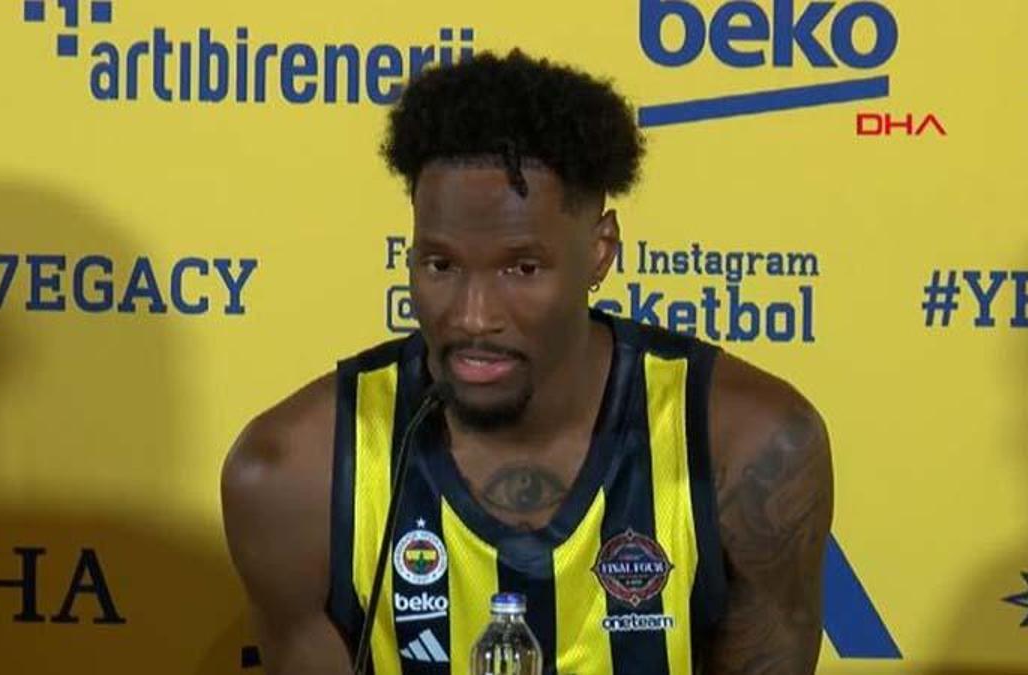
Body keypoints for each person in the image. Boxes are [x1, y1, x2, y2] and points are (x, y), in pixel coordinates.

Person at [221, 49, 833, 675]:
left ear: (600, 252)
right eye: (441, 265)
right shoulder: (294, 474)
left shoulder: (748, 448)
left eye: (522, 268)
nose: (473, 316)